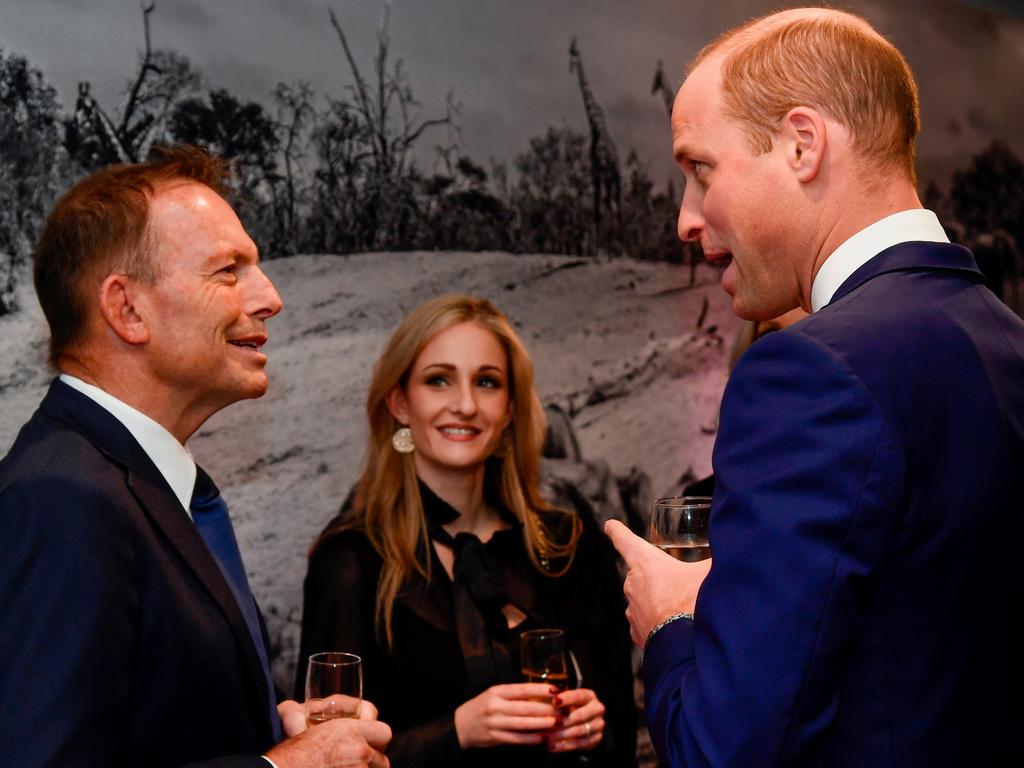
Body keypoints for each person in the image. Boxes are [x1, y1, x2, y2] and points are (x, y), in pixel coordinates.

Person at [605, 8, 1024, 767]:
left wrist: (671, 625)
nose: (685, 220)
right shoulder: (1005, 341)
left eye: (700, 171)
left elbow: (719, 752)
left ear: (802, 144)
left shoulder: (807, 372)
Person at [0, 148, 391, 768]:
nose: (270, 297)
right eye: (229, 270)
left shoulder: (134, 479)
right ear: (126, 309)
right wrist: (285, 767)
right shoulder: (62, 497)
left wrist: (268, 729)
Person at [295, 294, 636, 768]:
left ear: (511, 409)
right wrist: (458, 731)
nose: (466, 404)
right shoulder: (351, 561)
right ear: (399, 402)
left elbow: (623, 727)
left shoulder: (572, 547)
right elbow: (320, 758)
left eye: (487, 382)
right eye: (439, 380)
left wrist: (592, 729)